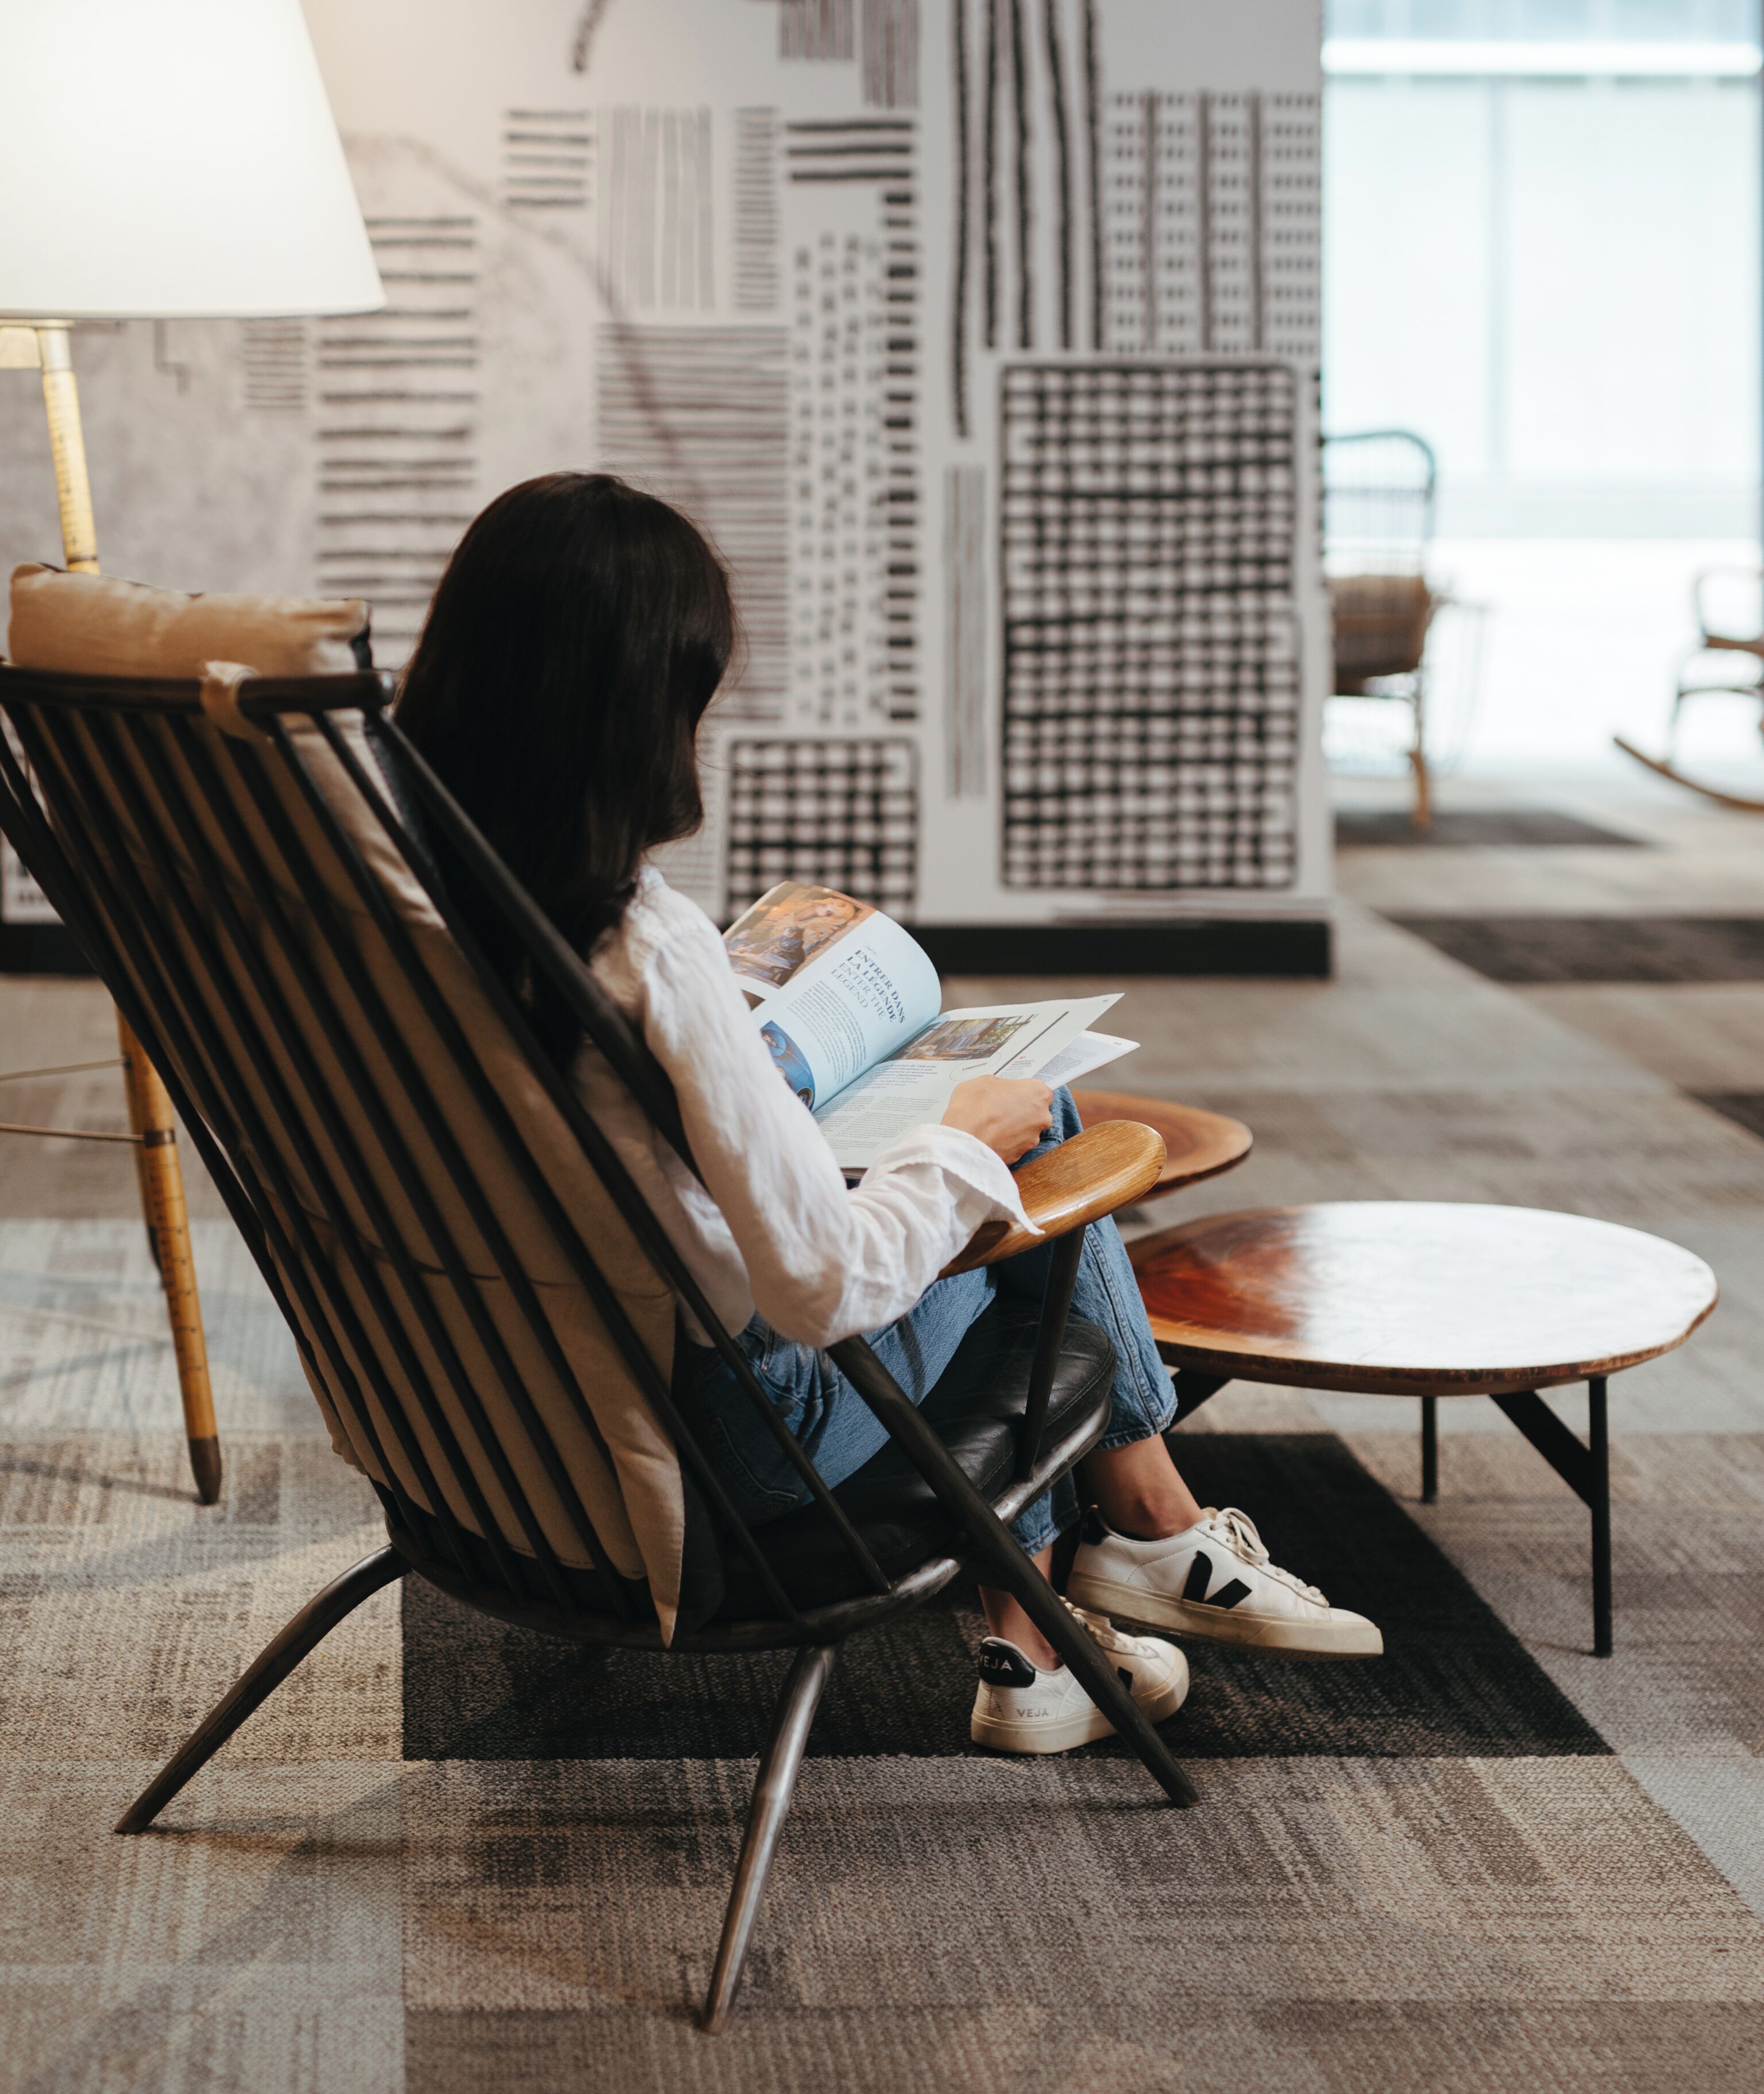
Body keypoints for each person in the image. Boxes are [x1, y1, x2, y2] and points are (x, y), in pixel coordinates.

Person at [396, 472, 1381, 1755]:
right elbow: (822, 1290)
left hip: (489, 1421)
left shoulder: (389, 913)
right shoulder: (639, 945)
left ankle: (1050, 1640)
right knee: (1041, 1142)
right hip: (738, 1450)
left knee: (980, 1143)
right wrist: (961, 1138)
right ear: (641, 710)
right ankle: (1139, 1533)